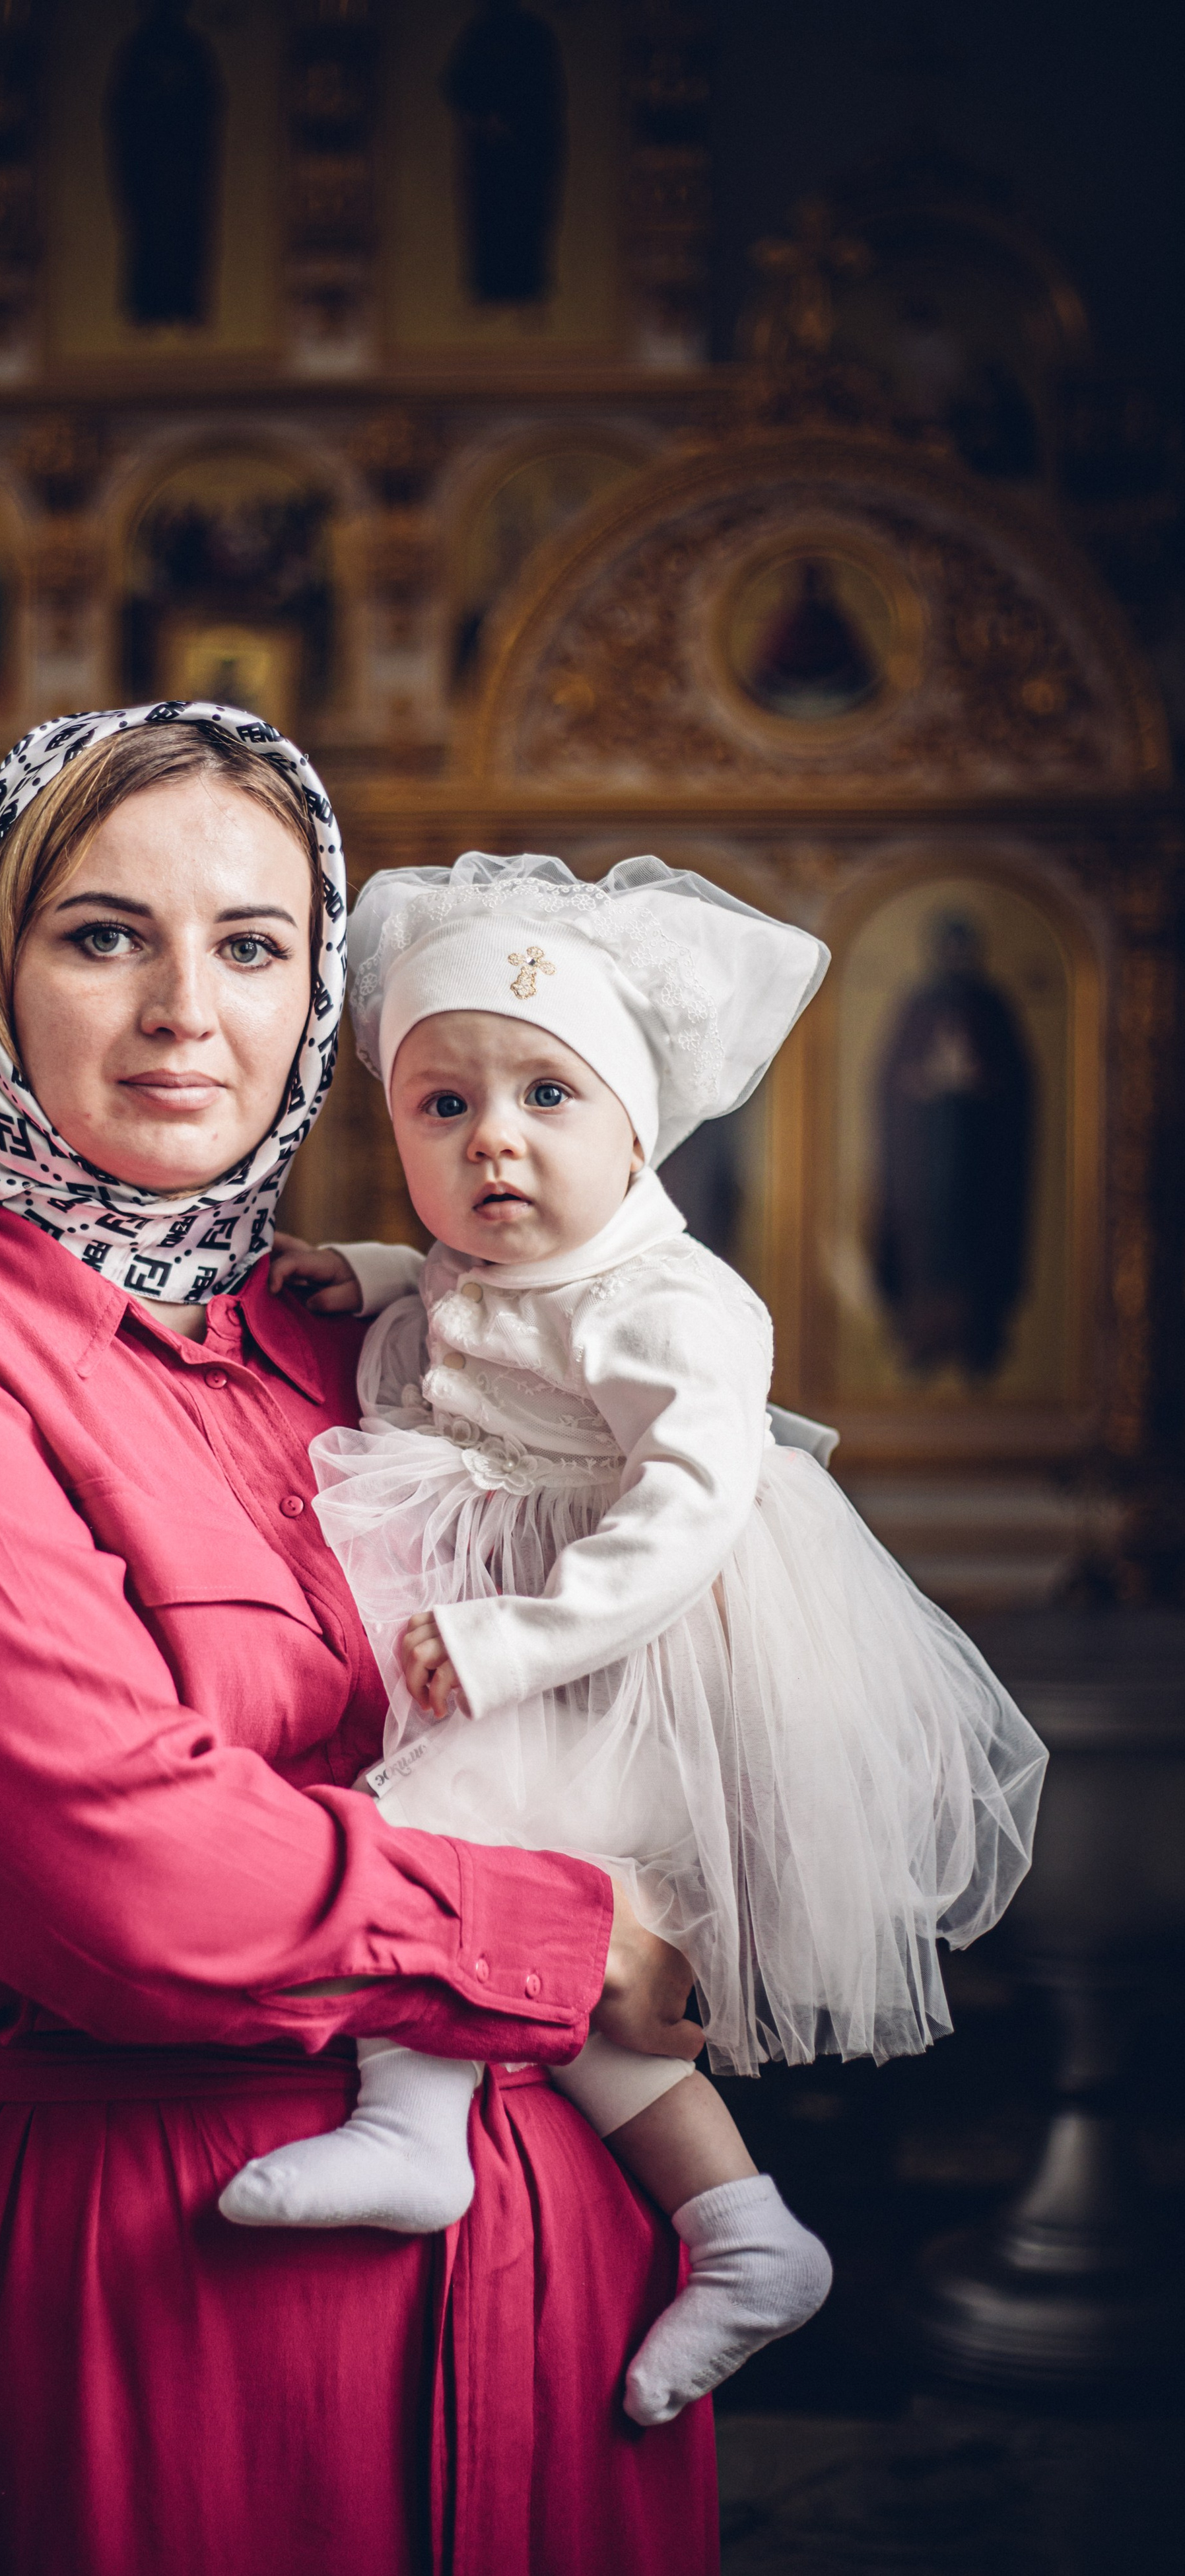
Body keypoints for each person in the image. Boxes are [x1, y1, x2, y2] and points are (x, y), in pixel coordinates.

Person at [0, 713, 721, 2576]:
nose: (184, 1011)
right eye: (106, 934)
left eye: (257, 943)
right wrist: (577, 1934)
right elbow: (120, 1867)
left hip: (564, 2277)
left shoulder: (369, 1340)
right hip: (182, 2273)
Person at [232, 850, 1048, 2429]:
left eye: (547, 1096)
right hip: (538, 1618)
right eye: (441, 1108)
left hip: (633, 1643)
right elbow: (476, 1292)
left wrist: (517, 1646)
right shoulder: (497, 1255)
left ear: (633, 1126)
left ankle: (412, 2134)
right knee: (571, 1955)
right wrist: (380, 1270)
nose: (494, 1147)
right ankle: (740, 2232)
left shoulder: (680, 1305)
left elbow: (684, 1514)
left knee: (435, 1841)